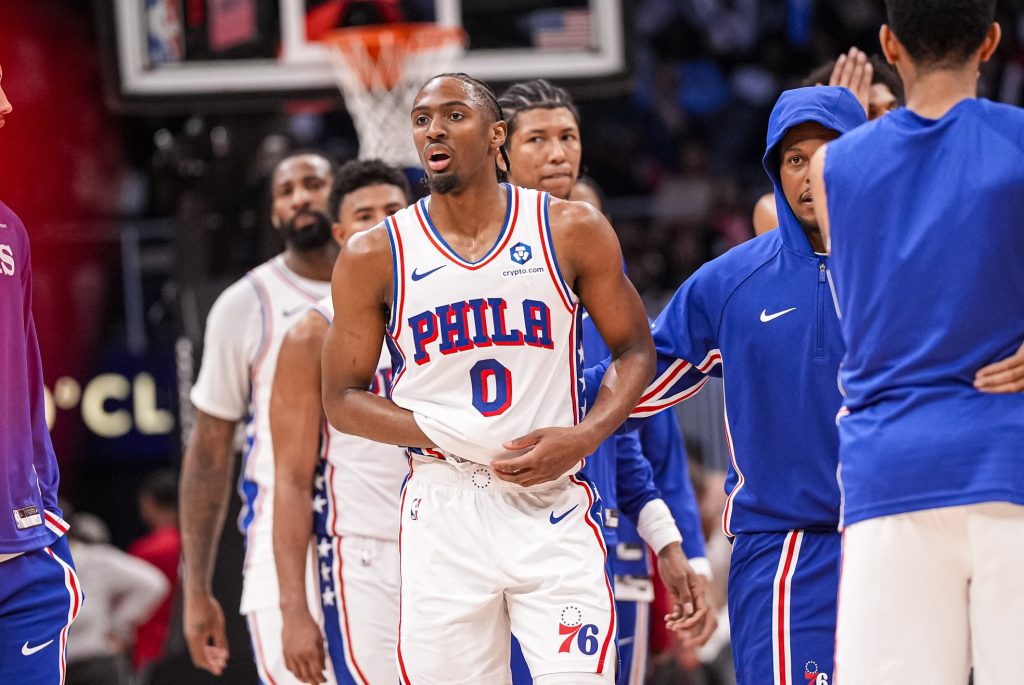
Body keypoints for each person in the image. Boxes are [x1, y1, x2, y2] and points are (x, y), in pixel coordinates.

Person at [322, 72, 695, 684]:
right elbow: (341, 399)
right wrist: (442, 432)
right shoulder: (375, 254)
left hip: (551, 504)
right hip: (443, 509)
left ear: (496, 135)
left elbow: (635, 349)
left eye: (453, 115)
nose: (434, 128)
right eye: (421, 119)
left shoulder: (570, 228)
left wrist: (585, 435)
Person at [589, 85, 867, 683]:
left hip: (899, 533)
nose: (810, 174)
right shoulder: (733, 281)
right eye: (795, 159)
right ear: (775, 171)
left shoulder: (902, 266)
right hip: (785, 549)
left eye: (828, 153)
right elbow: (636, 378)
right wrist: (551, 393)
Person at [809, 1, 1024, 681]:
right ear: (991, 42)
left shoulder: (834, 167)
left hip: (889, 468)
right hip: (1008, 456)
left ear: (888, 45)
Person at [497, 79, 712, 685]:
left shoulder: (611, 306)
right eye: (537, 138)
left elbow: (637, 446)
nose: (558, 152)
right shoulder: (469, 278)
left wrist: (676, 548)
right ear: (499, 151)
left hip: (596, 546)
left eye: (568, 137)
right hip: (489, 540)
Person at [180, 150, 338, 683]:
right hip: (285, 548)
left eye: (313, 183)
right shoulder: (245, 303)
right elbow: (208, 451)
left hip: (389, 532)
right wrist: (196, 589)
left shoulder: (394, 289)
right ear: (274, 214)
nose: (300, 197)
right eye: (286, 190)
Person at [272, 159, 411, 685]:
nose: (379, 225)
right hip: (362, 550)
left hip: (450, 537)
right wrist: (293, 610)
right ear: (340, 232)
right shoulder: (311, 335)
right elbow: (289, 478)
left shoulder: (446, 310)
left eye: (392, 212)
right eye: (363, 215)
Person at [0, 61, 83, 685]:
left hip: (22, 554)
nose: (6, 106)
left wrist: (43, 509)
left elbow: (28, 382)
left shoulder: (10, 229)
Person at [752, 47, 903, 236]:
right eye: (870, 113)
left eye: (893, 109)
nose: (886, 121)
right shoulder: (774, 211)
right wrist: (851, 144)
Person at [64, 509, 168, 685]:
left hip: (94, 661)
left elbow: (153, 584)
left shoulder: (95, 558)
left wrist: (119, 626)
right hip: (56, 664)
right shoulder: (33, 564)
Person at [128, 469, 182, 675]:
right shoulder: (191, 548)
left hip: (150, 647)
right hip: (186, 644)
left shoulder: (147, 551)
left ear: (148, 503)